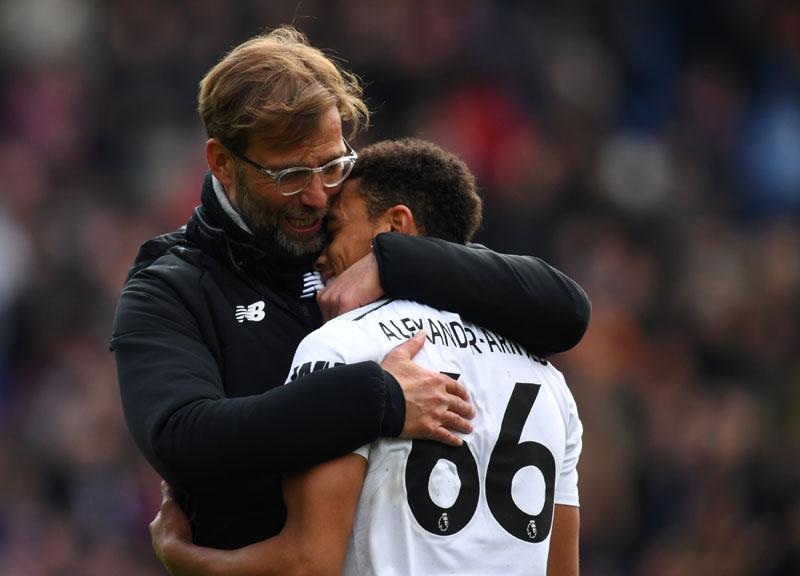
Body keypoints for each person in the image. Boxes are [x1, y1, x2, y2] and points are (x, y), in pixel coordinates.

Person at [111, 27, 590, 550]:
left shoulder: (365, 242)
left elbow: (563, 309)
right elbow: (185, 440)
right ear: (222, 163)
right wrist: (377, 397)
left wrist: (393, 258)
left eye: (332, 164)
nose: (317, 196)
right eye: (291, 174)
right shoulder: (170, 287)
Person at [150, 138, 582, 576]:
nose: (318, 254)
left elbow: (308, 565)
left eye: (334, 229)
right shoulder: (548, 379)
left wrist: (188, 559)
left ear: (396, 225)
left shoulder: (340, 346)